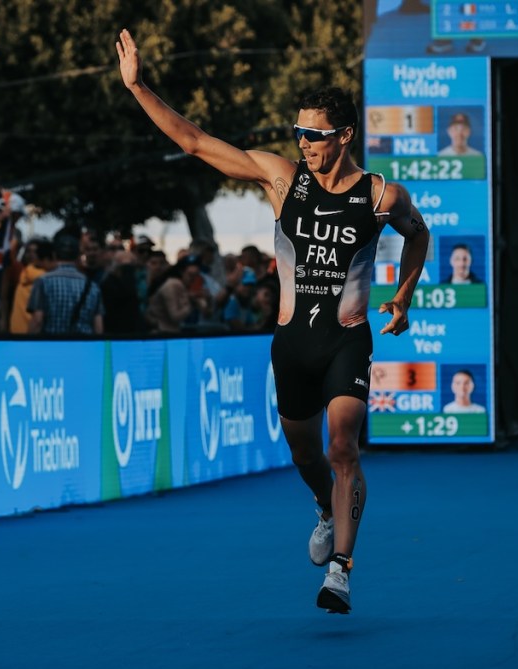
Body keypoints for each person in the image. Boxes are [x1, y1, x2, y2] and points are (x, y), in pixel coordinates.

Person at [117, 29, 429, 614]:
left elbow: (420, 236)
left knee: (343, 448)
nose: (304, 142)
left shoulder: (382, 196)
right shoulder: (283, 180)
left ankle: (341, 569)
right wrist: (138, 86)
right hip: (292, 343)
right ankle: (321, 507)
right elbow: (195, 142)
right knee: (307, 456)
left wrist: (404, 295)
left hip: (347, 338)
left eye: (315, 134)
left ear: (345, 135)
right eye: (299, 133)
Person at [27, 229, 104, 335]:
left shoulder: (43, 282)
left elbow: (37, 320)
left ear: (54, 255)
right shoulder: (92, 286)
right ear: (78, 255)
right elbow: (98, 327)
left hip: (53, 345)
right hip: (83, 347)